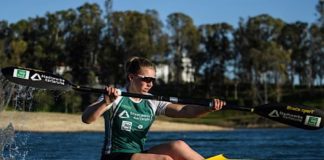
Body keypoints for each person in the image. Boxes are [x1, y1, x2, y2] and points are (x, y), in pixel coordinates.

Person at [82, 57, 226, 160]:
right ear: (131, 77)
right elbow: (87, 118)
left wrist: (208, 108)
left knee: (179, 146)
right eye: (146, 79)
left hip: (137, 154)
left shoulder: (152, 101)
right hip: (114, 156)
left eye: (153, 80)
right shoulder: (116, 96)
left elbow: (185, 111)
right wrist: (105, 103)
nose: (150, 84)